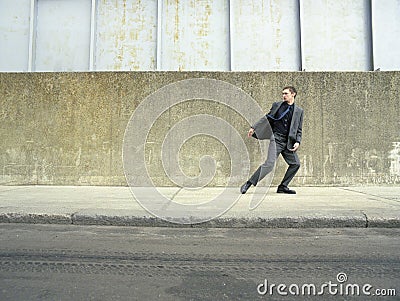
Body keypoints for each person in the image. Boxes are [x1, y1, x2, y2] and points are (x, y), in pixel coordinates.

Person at [240, 86, 304, 194]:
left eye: (286, 93)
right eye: (283, 93)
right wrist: (254, 127)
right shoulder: (277, 105)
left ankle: (283, 186)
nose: (284, 96)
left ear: (293, 94)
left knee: (295, 164)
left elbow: (299, 129)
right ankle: (248, 183)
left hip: (288, 142)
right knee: (269, 164)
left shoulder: (299, 111)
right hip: (277, 139)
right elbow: (267, 117)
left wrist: (298, 141)